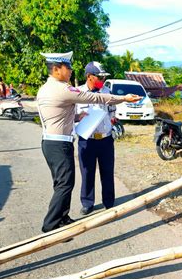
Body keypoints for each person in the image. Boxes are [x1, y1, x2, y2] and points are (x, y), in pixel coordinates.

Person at [37, 51, 141, 233]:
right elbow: (96, 98)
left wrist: (78, 115)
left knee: (66, 182)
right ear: (56, 69)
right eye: (67, 67)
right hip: (64, 143)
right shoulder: (65, 89)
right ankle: (51, 225)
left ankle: (63, 218)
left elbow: (61, 114)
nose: (70, 71)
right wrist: (124, 98)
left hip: (65, 141)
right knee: (66, 183)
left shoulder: (46, 88)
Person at [76, 61, 116, 215]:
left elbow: (112, 112)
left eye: (103, 77)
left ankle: (109, 202)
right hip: (87, 140)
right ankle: (87, 203)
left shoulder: (107, 92)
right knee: (87, 172)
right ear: (89, 76)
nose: (102, 80)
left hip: (105, 139)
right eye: (99, 77)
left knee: (107, 171)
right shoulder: (78, 93)